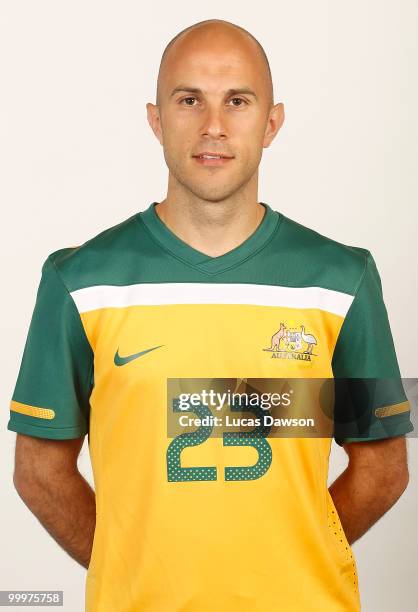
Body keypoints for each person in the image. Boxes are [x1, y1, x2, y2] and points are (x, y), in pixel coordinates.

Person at [8, 18, 413, 612]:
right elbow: (39, 471)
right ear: (156, 119)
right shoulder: (81, 279)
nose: (214, 126)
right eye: (189, 99)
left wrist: (293, 558)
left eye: (238, 101)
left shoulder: (342, 278)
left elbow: (383, 467)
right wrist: (130, 566)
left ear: (271, 123)